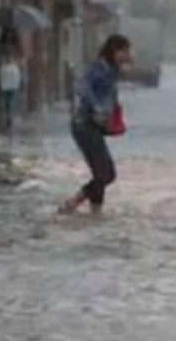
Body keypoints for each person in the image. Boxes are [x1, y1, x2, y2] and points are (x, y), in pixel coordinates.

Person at [58, 34, 132, 215]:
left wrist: (112, 117)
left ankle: (95, 213)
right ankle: (73, 202)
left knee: (101, 174)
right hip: (85, 124)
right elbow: (81, 86)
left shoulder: (111, 70)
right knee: (107, 174)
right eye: (124, 52)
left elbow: (109, 97)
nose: (127, 56)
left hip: (91, 126)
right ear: (114, 51)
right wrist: (96, 108)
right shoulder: (100, 67)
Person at [0, 52, 22, 131]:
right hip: (12, 88)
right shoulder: (15, 68)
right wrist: (17, 87)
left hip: (5, 88)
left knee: (5, 104)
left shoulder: (3, 68)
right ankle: (10, 119)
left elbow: (0, 77)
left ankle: (7, 119)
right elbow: (17, 78)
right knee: (11, 104)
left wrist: (1, 86)